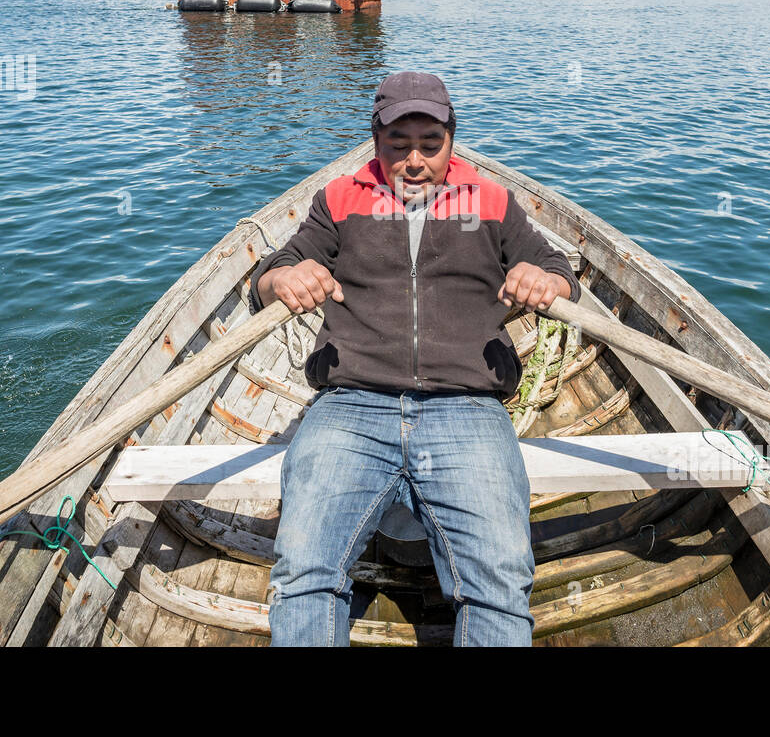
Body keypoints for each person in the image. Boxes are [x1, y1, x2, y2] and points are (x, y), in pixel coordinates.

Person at [247, 71, 581, 646]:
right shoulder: (338, 199)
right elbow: (271, 272)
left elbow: (559, 271)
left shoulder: (494, 202)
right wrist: (284, 276)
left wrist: (543, 278)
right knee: (304, 572)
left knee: (499, 581)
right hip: (351, 403)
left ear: (452, 141)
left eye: (431, 144)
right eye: (399, 145)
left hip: (467, 407)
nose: (415, 161)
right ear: (376, 143)